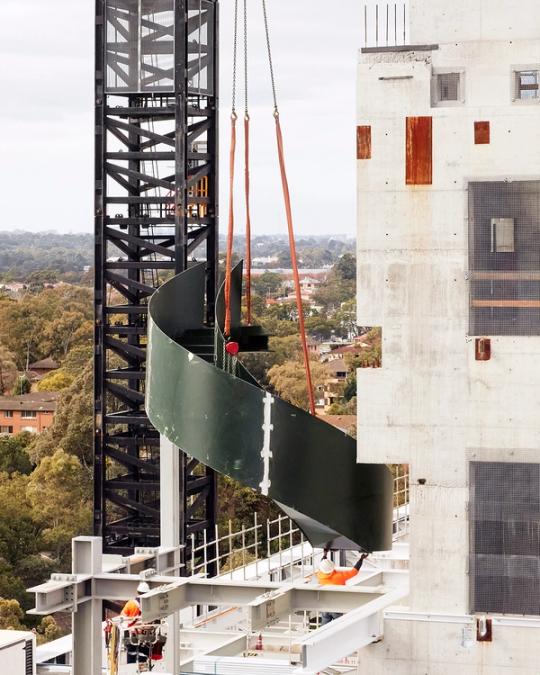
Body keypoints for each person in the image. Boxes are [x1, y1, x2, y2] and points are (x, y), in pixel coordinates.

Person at [316, 550, 369, 625]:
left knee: (324, 627)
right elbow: (354, 571)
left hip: (325, 606)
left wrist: (325, 554)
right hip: (337, 606)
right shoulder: (339, 576)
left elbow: (323, 565)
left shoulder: (319, 575)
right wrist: (361, 559)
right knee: (338, 625)